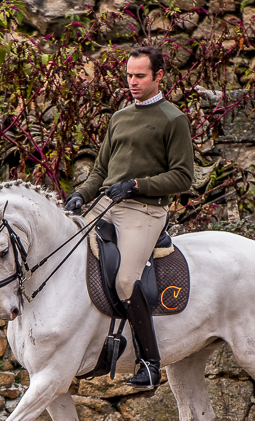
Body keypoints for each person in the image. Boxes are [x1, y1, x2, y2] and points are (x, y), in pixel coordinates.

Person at [64, 45, 194, 388]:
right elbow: (100, 170)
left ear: (158, 75)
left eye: (140, 76)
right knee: (68, 254)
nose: (132, 82)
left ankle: (150, 363)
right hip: (107, 203)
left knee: (125, 281)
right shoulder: (119, 117)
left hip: (145, 210)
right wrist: (81, 194)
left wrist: (137, 185)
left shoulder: (173, 119)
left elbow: (183, 177)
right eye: (129, 76)